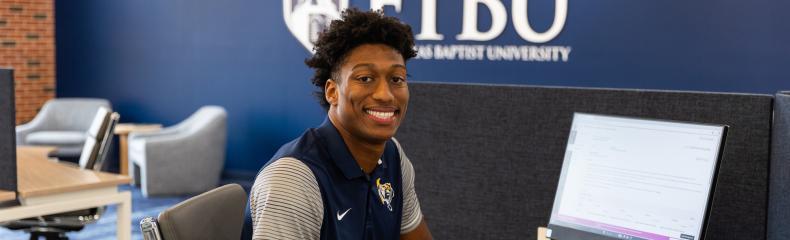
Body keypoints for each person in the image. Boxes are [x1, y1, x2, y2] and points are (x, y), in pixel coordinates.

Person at [249, 8, 433, 240]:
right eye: (365, 78)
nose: (386, 95)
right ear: (332, 92)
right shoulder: (293, 180)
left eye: (397, 79)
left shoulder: (392, 155)